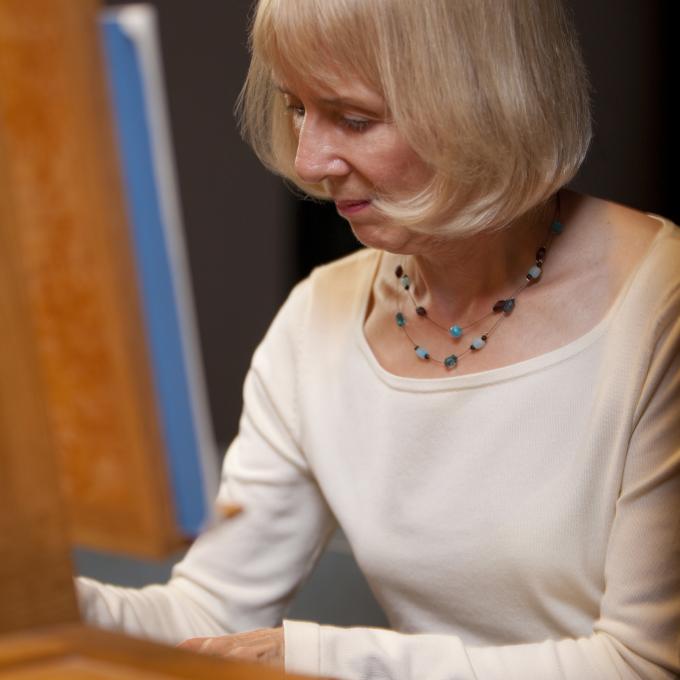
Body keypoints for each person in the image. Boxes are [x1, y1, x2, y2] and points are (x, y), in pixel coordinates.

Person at [78, 0, 680, 677]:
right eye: (297, 108)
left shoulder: (661, 308)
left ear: (481, 101)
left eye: (354, 120)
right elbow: (207, 616)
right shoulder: (319, 318)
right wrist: (40, 600)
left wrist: (317, 655)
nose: (310, 160)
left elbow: (643, 663)